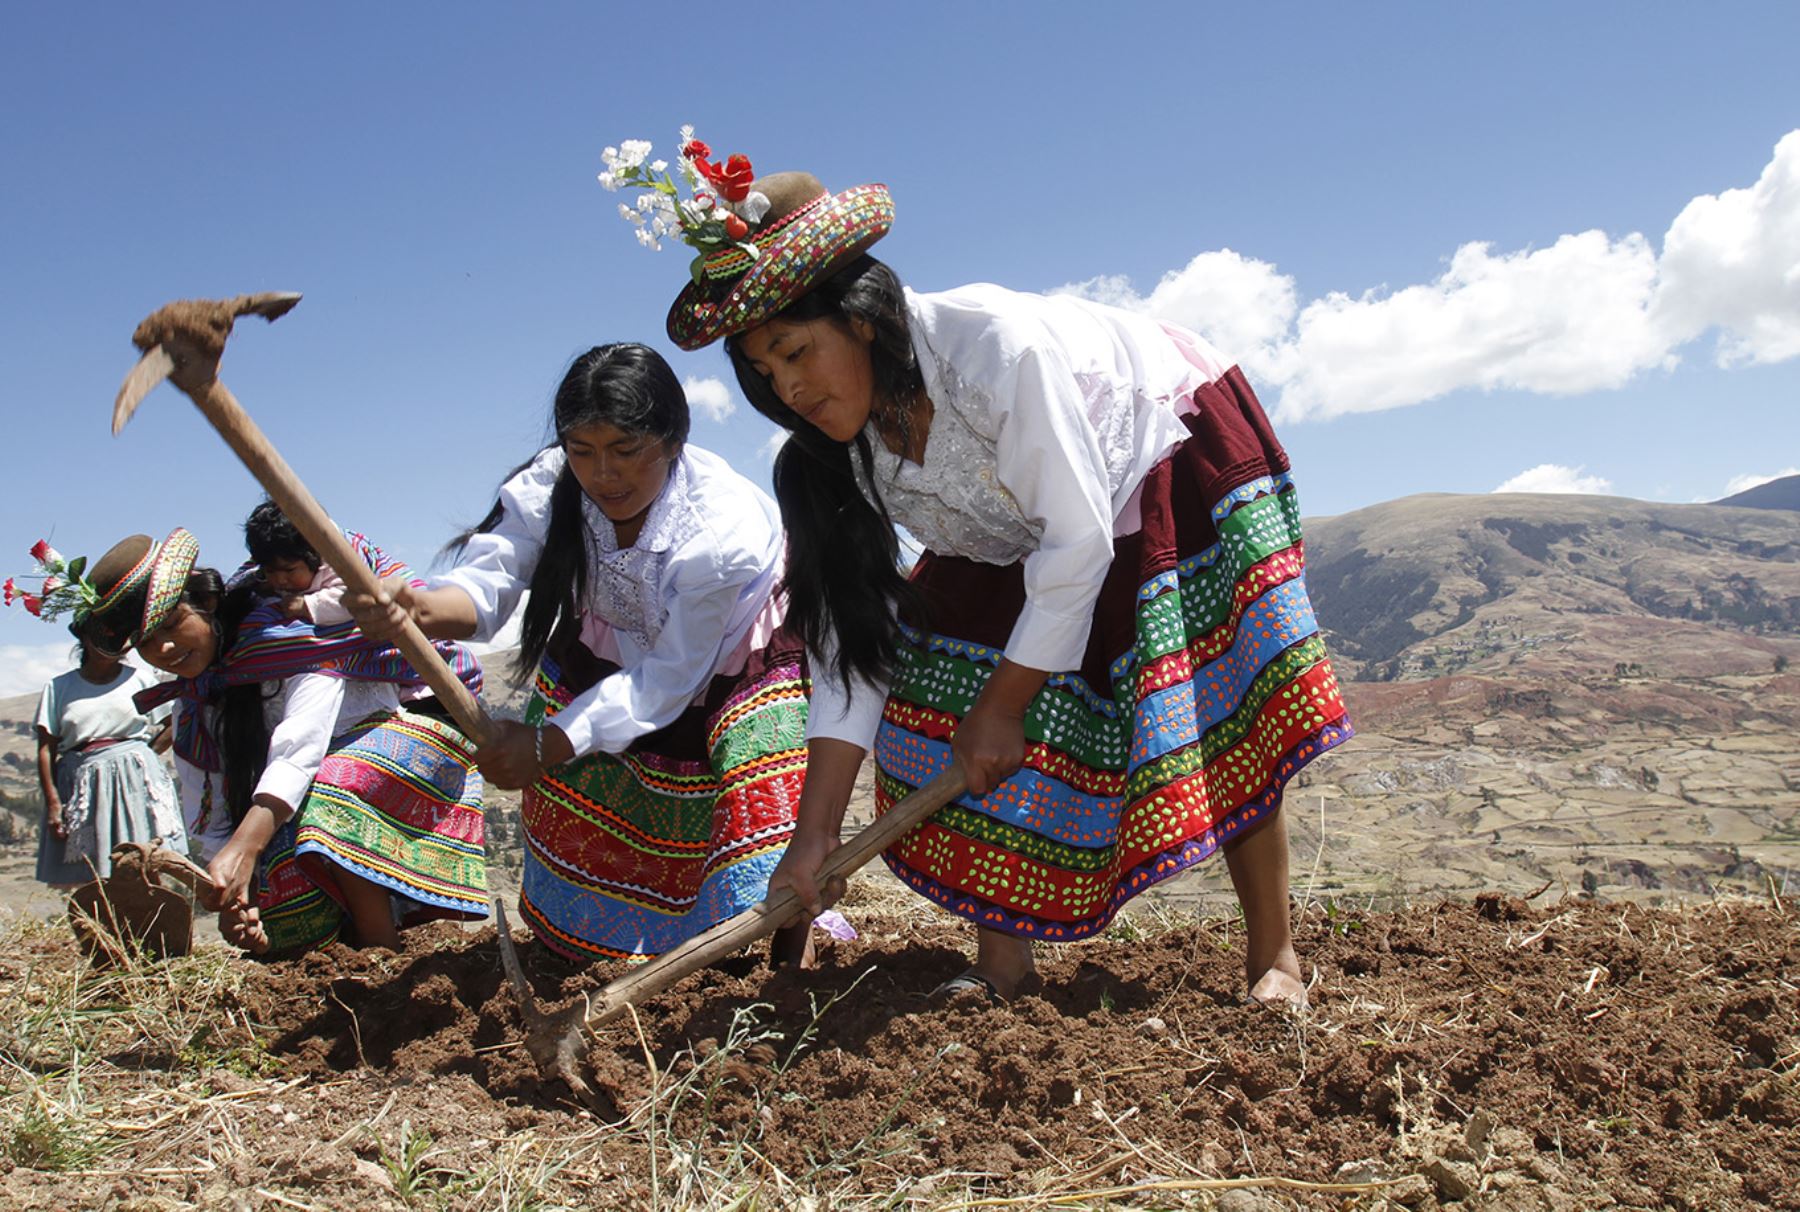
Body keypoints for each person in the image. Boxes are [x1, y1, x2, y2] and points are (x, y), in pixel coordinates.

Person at [656, 159, 1352, 1006]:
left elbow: (1075, 539)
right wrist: (814, 837)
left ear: (862, 319)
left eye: (797, 351)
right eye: (763, 371)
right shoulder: (824, 462)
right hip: (1015, 526)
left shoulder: (992, 351)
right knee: (939, 697)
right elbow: (855, 650)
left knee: (1221, 695)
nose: (788, 386)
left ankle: (1273, 956)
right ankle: (1004, 966)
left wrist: (1006, 704)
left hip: (1162, 444)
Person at [350, 343, 811, 964]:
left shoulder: (718, 534)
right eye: (583, 451)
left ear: (673, 441)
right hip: (613, 643)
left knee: (763, 793)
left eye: (626, 450)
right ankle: (594, 956)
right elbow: (492, 581)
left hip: (734, 648)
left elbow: (668, 677)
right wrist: (422, 609)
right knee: (583, 803)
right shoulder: (550, 486)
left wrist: (546, 745)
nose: (603, 475)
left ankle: (786, 971)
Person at [86, 528, 489, 954]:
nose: (164, 647)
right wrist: (234, 893)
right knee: (278, 868)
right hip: (306, 786)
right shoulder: (194, 703)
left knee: (330, 793)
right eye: (146, 642)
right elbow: (211, 811)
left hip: (398, 747)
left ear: (204, 604)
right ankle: (323, 961)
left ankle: (380, 952)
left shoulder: (286, 632)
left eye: (171, 624)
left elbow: (301, 746)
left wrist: (246, 846)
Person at [9, 539, 185, 888]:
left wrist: (143, 756)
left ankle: (152, 930)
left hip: (134, 776)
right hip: (82, 780)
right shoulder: (59, 689)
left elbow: (169, 721)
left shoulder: (141, 679)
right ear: (84, 637)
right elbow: (47, 747)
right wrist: (54, 802)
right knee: (92, 872)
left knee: (144, 861)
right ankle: (103, 931)